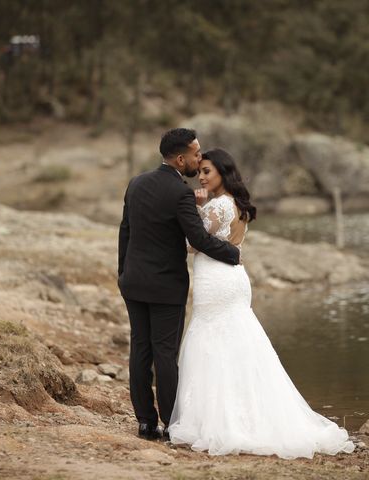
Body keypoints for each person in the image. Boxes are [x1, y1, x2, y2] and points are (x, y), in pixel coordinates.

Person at [168, 148, 355, 459]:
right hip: (233, 279)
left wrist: (197, 208)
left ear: (222, 174)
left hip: (217, 280)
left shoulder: (217, 207)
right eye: (199, 171)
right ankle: (250, 412)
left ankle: (221, 420)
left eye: (207, 172)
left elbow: (193, 243)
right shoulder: (236, 204)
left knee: (212, 341)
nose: (201, 177)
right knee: (239, 342)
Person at [118, 129, 240, 441]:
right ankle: (173, 426)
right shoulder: (180, 193)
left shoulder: (136, 183)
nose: (200, 160)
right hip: (166, 287)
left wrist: (123, 273)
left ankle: (146, 423)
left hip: (133, 282)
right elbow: (199, 239)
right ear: (181, 158)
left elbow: (125, 232)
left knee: (140, 351)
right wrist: (232, 253)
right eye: (197, 154)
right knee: (165, 355)